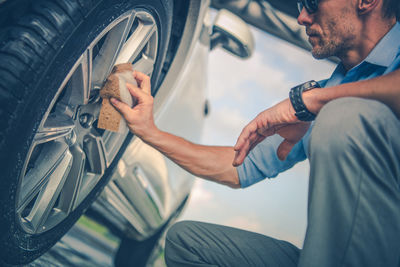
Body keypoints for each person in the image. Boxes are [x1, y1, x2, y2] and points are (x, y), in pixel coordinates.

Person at [110, 0, 400, 265]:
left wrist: (311, 102)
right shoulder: (332, 90)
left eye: (312, 3)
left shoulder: (327, 100)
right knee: (188, 243)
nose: (301, 17)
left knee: (345, 114)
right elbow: (237, 167)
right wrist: (149, 131)